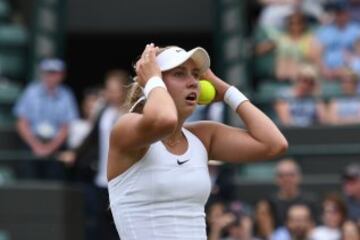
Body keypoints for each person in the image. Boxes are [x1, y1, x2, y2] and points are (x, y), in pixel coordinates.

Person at [107, 43, 288, 239]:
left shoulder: (203, 136)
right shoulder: (126, 128)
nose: (194, 82)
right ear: (155, 81)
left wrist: (226, 91)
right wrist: (151, 81)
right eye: (179, 74)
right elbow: (164, 120)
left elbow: (274, 144)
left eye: (195, 74)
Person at [58, 69, 129, 240]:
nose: (109, 94)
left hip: (125, 181)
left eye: (114, 90)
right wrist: (74, 153)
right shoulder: (103, 110)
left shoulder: (133, 113)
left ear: (124, 90)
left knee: (120, 227)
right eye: (108, 89)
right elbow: (91, 137)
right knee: (98, 225)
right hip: (100, 179)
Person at [13, 58, 78, 179]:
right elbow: (21, 123)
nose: (51, 76)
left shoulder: (67, 95)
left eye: (55, 73)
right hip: (31, 145)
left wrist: (49, 148)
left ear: (62, 75)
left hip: (55, 147)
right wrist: (35, 145)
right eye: (48, 72)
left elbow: (66, 127)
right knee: (28, 181)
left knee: (53, 183)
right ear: (42, 73)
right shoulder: (30, 92)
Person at [269, 158, 318, 227]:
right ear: (276, 179)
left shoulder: (310, 201)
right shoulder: (269, 203)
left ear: (299, 177)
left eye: (290, 175)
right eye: (282, 176)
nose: (286, 179)